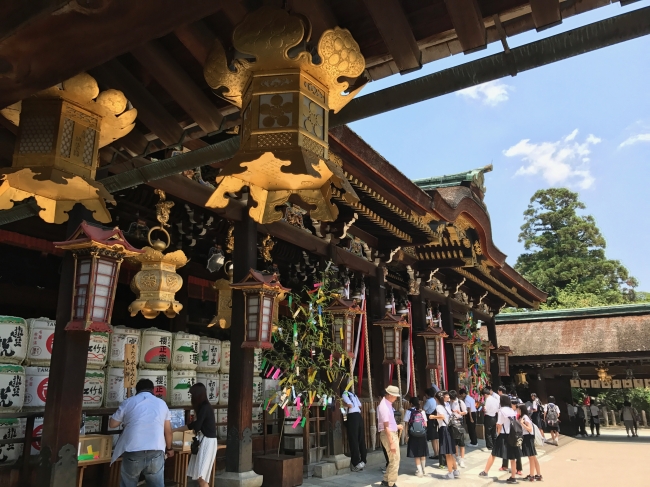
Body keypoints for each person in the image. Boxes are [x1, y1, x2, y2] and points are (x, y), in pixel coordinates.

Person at [109, 379, 173, 487]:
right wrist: (170, 449)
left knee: (128, 483)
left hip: (133, 449)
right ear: (153, 390)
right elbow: (168, 431)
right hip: (156, 449)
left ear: (136, 390)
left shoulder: (129, 402)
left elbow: (112, 424)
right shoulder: (162, 404)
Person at [173, 383, 218, 487]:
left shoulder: (204, 407)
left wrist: (175, 430)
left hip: (207, 442)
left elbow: (196, 426)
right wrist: (174, 430)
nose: (191, 397)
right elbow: (192, 426)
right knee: (200, 476)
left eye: (192, 395)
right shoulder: (204, 407)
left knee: (201, 476)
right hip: (205, 441)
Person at [478, 395, 521, 484]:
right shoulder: (511, 411)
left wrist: (498, 434)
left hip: (503, 435)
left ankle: (485, 471)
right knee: (512, 458)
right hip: (512, 435)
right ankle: (513, 477)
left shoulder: (502, 411)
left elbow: (499, 424)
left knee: (493, 453)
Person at [429, 390, 459, 480]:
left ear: (437, 399)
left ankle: (450, 473)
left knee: (447, 453)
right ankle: (455, 470)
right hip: (449, 428)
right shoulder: (447, 405)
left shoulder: (439, 407)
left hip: (444, 428)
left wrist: (433, 417)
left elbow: (442, 416)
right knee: (450, 452)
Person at [377, 386, 403, 487]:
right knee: (395, 459)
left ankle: (386, 481)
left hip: (391, 431)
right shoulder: (384, 406)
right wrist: (391, 442)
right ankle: (391, 483)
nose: (396, 398)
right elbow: (386, 426)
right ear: (390, 395)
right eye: (395, 396)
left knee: (393, 459)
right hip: (389, 434)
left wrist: (396, 426)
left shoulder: (387, 404)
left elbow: (388, 423)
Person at [342, 386, 367, 471]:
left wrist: (342, 404)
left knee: (354, 440)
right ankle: (363, 460)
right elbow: (360, 406)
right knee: (361, 439)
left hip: (352, 417)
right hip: (358, 416)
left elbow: (349, 405)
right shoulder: (353, 394)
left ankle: (356, 463)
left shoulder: (344, 394)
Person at [404, 396, 429, 477]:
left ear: (410, 403)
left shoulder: (408, 412)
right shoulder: (422, 412)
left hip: (413, 434)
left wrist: (406, 435)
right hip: (422, 434)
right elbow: (425, 424)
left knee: (416, 453)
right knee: (422, 452)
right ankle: (424, 469)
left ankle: (419, 471)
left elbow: (406, 424)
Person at [518, 405, 542, 482]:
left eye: (518, 409)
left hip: (528, 438)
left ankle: (531, 475)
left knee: (531, 457)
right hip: (528, 438)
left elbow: (530, 429)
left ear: (521, 409)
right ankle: (538, 474)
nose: (517, 410)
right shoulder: (524, 417)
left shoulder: (525, 417)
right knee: (533, 457)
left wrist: (522, 424)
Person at [501, 399, 523, 475]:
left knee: (516, 451)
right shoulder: (512, 412)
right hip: (511, 433)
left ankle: (519, 468)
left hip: (515, 434)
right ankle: (505, 465)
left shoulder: (517, 413)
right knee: (507, 449)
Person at [449, 390, 467, 468]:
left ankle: (462, 459)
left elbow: (465, 411)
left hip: (459, 422)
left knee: (461, 442)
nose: (451, 400)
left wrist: (459, 412)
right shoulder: (449, 403)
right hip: (452, 422)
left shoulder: (460, 402)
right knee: (454, 441)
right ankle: (457, 457)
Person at [423, 387, 440, 462]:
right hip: (435, 420)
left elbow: (424, 409)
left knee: (433, 438)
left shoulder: (428, 401)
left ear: (427, 394)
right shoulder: (434, 400)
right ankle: (437, 452)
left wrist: (424, 401)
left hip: (430, 419)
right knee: (435, 438)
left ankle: (436, 453)